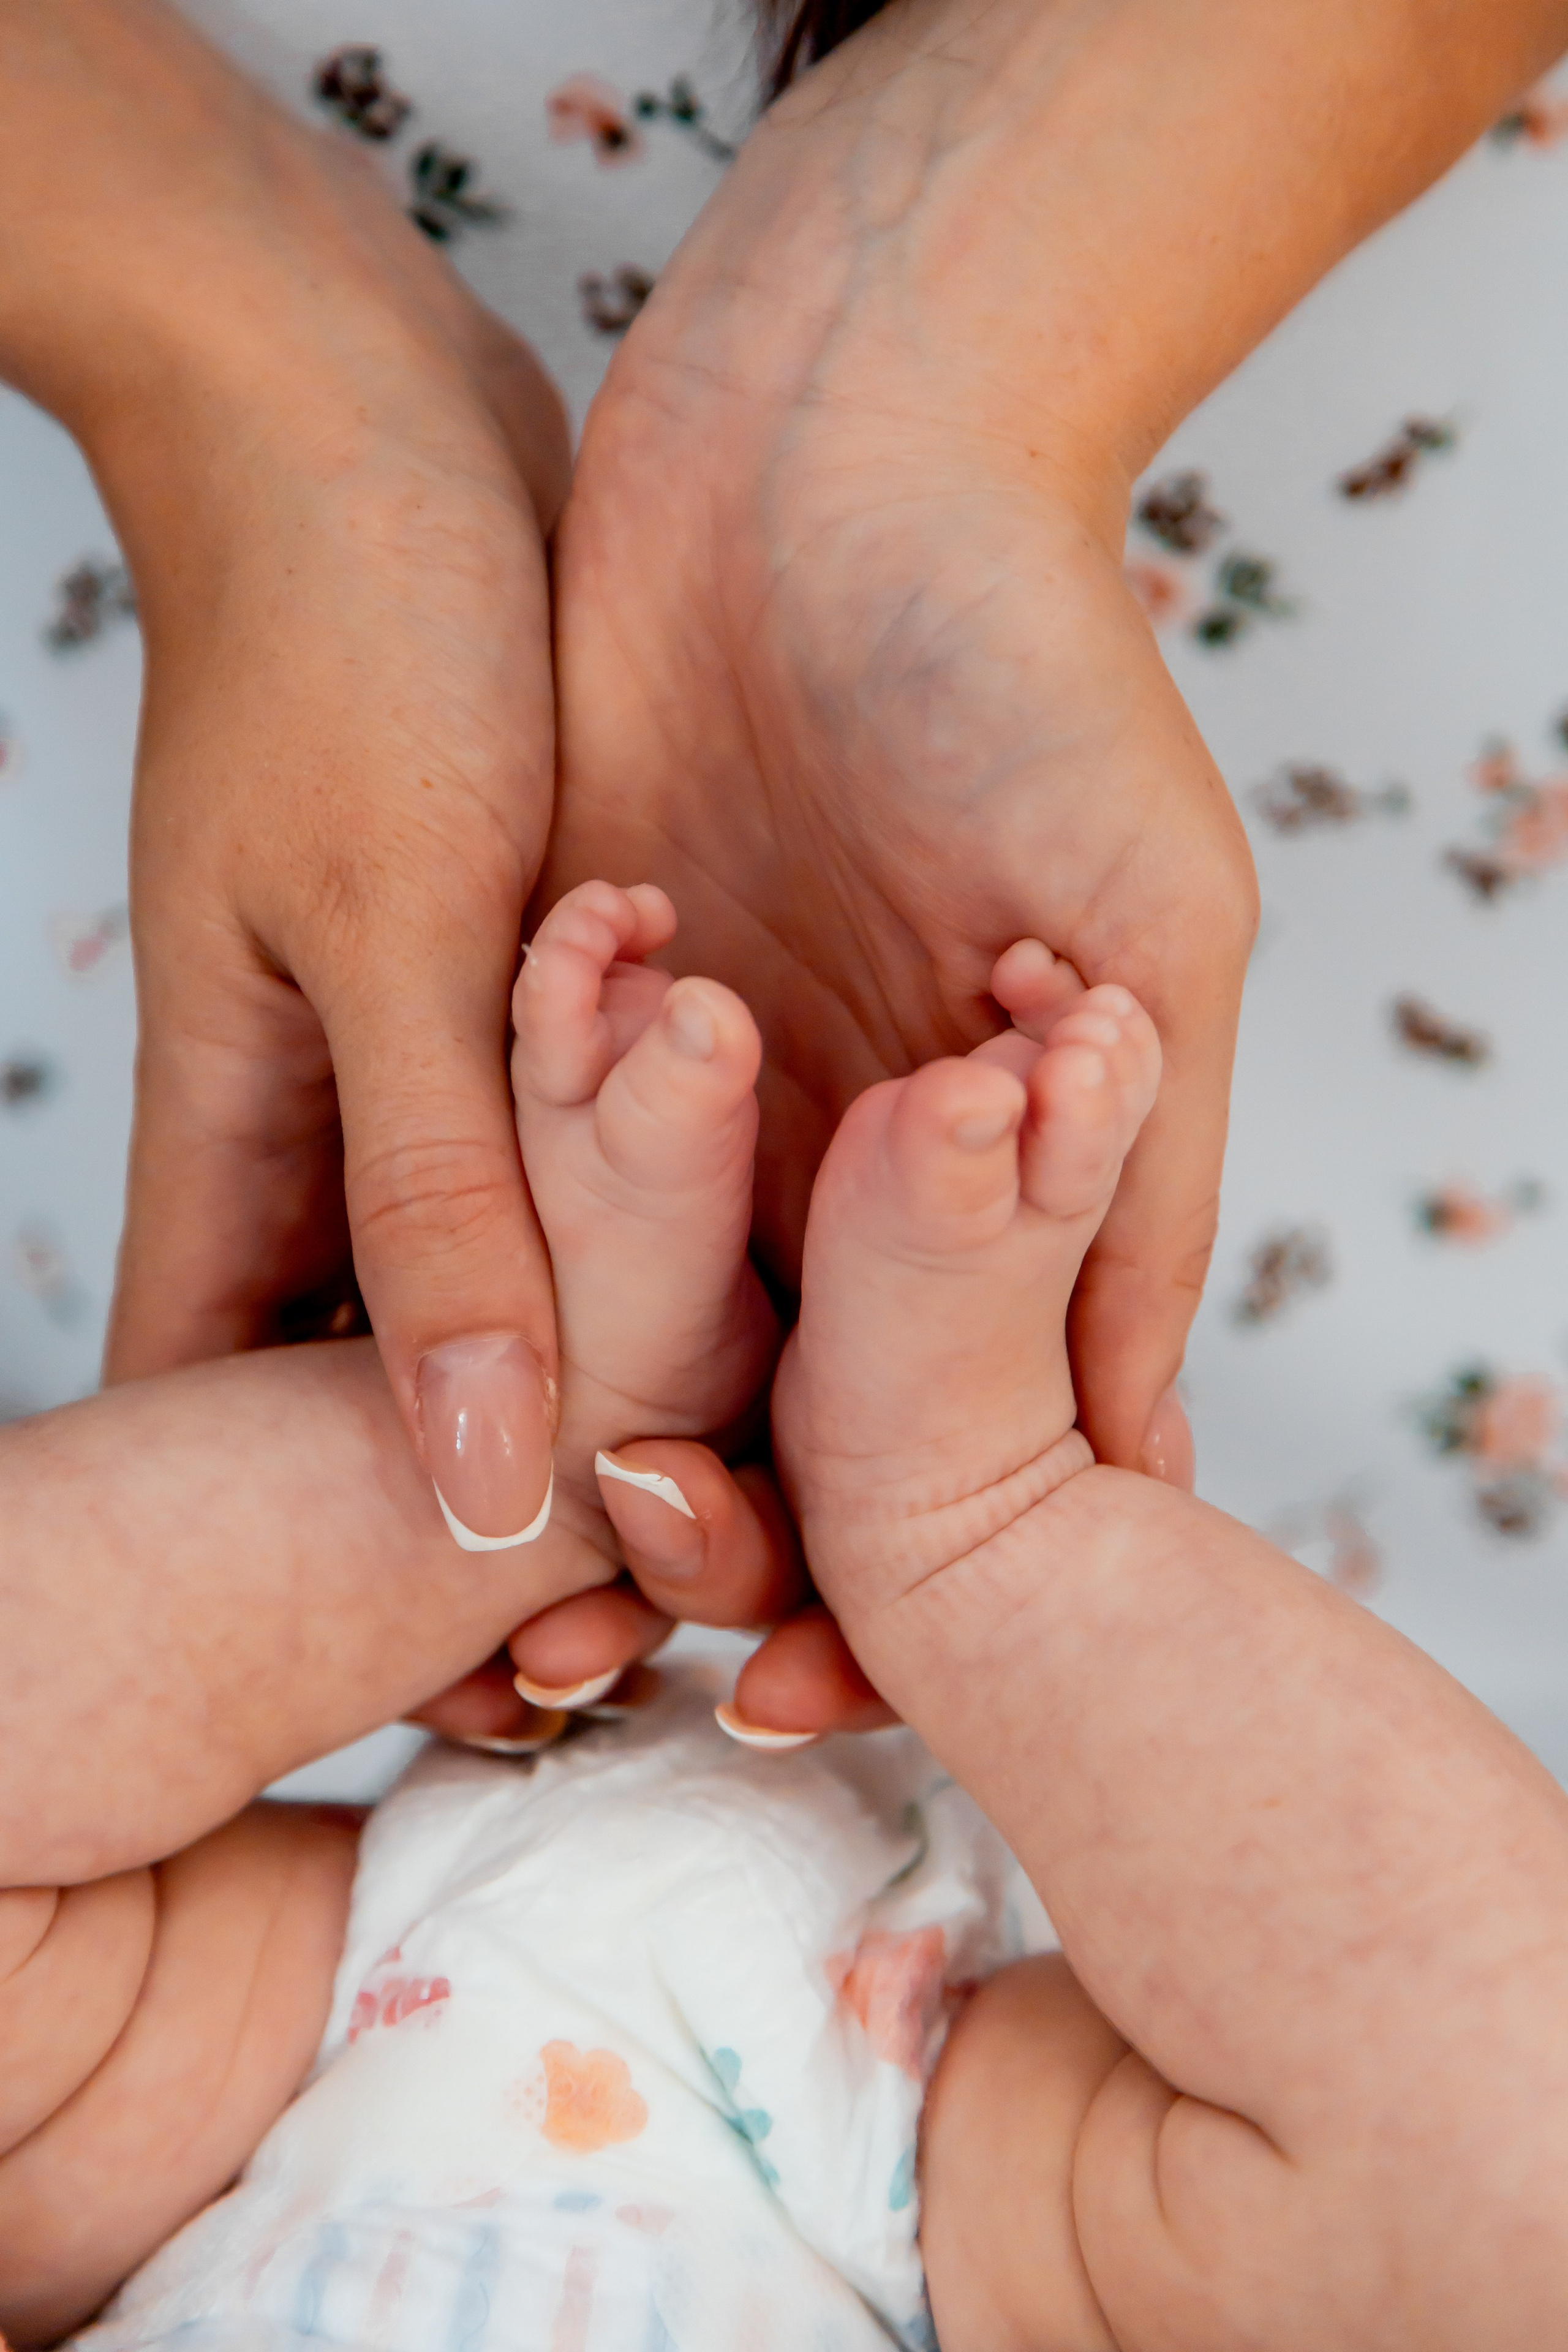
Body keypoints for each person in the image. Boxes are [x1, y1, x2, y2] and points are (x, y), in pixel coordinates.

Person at [7, 884, 1568, 2350]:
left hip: (257, 2093)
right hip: (922, 2216)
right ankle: (978, 1527)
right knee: (1505, 2192)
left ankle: (553, 1459)